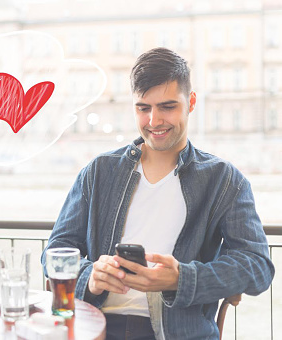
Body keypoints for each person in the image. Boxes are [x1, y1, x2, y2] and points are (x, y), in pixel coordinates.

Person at [42, 47, 274, 339]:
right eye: (143, 108)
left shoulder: (223, 180)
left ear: (190, 102)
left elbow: (257, 267)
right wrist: (91, 276)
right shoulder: (99, 171)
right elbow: (54, 252)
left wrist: (181, 279)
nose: (154, 120)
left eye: (167, 106)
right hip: (95, 328)